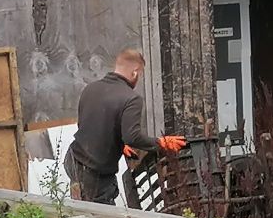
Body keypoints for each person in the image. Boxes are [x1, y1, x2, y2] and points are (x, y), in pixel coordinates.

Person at [64, 49, 186, 204]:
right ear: (135, 72)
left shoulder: (90, 89)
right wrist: (161, 143)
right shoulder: (132, 98)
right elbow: (132, 136)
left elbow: (86, 125)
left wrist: (118, 145)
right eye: (140, 75)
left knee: (80, 209)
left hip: (73, 160)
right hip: (95, 173)